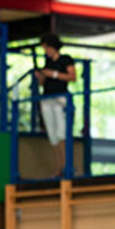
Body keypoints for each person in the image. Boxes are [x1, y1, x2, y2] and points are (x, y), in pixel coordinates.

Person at [33, 32, 76, 177]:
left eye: (46, 48)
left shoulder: (65, 59)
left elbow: (72, 76)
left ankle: (67, 166)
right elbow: (42, 83)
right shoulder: (47, 62)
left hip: (60, 98)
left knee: (61, 133)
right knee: (52, 135)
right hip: (47, 98)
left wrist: (53, 74)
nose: (45, 51)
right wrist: (41, 76)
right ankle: (59, 167)